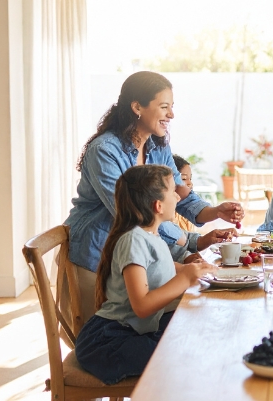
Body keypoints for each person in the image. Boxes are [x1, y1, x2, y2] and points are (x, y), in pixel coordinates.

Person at [64, 71, 243, 321]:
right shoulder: (104, 151)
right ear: (137, 107)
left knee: (187, 310)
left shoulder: (158, 146)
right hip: (97, 256)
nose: (171, 114)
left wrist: (214, 212)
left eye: (172, 107)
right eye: (164, 107)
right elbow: (132, 214)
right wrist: (188, 241)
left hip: (140, 255)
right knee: (109, 334)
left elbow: (179, 192)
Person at [75, 165, 218, 385]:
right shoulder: (133, 240)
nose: (178, 197)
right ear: (158, 205)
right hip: (110, 340)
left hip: (135, 330)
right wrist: (185, 278)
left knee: (198, 331)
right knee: (185, 354)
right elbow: (141, 306)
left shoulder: (152, 237)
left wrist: (198, 269)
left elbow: (168, 267)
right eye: (172, 191)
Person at [170, 154, 236, 263]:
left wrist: (206, 239)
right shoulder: (160, 218)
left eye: (190, 179)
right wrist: (185, 257)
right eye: (184, 178)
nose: (190, 183)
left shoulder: (178, 216)